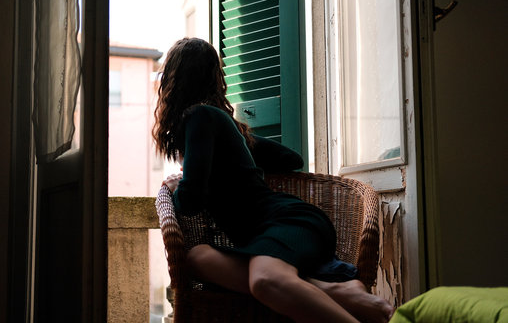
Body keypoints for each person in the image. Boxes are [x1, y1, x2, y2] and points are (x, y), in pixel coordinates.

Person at [153, 37, 394, 323]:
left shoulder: (199, 117)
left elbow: (190, 202)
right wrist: (241, 146)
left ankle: (329, 296)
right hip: (264, 234)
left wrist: (176, 186)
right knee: (197, 258)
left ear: (173, 79)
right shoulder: (220, 123)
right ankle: (334, 291)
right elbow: (292, 159)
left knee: (264, 281)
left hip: (289, 222)